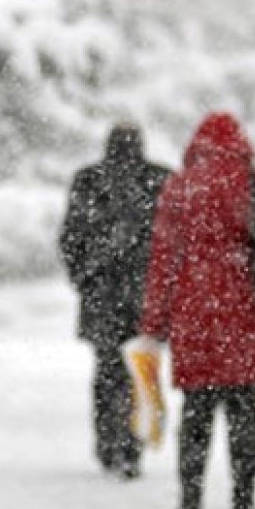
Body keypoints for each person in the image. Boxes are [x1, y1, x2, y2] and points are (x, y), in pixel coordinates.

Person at [139, 112, 255, 509]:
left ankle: (189, 501)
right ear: (241, 143)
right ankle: (244, 501)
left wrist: (154, 321)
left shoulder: (179, 186)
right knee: (245, 409)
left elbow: (164, 259)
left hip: (195, 311)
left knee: (196, 411)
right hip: (247, 309)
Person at [59, 122, 171, 480]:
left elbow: (70, 238)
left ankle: (108, 442)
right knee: (141, 371)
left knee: (107, 371)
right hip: (147, 297)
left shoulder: (89, 181)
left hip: (102, 295)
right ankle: (132, 446)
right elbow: (178, 243)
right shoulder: (161, 180)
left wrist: (85, 278)